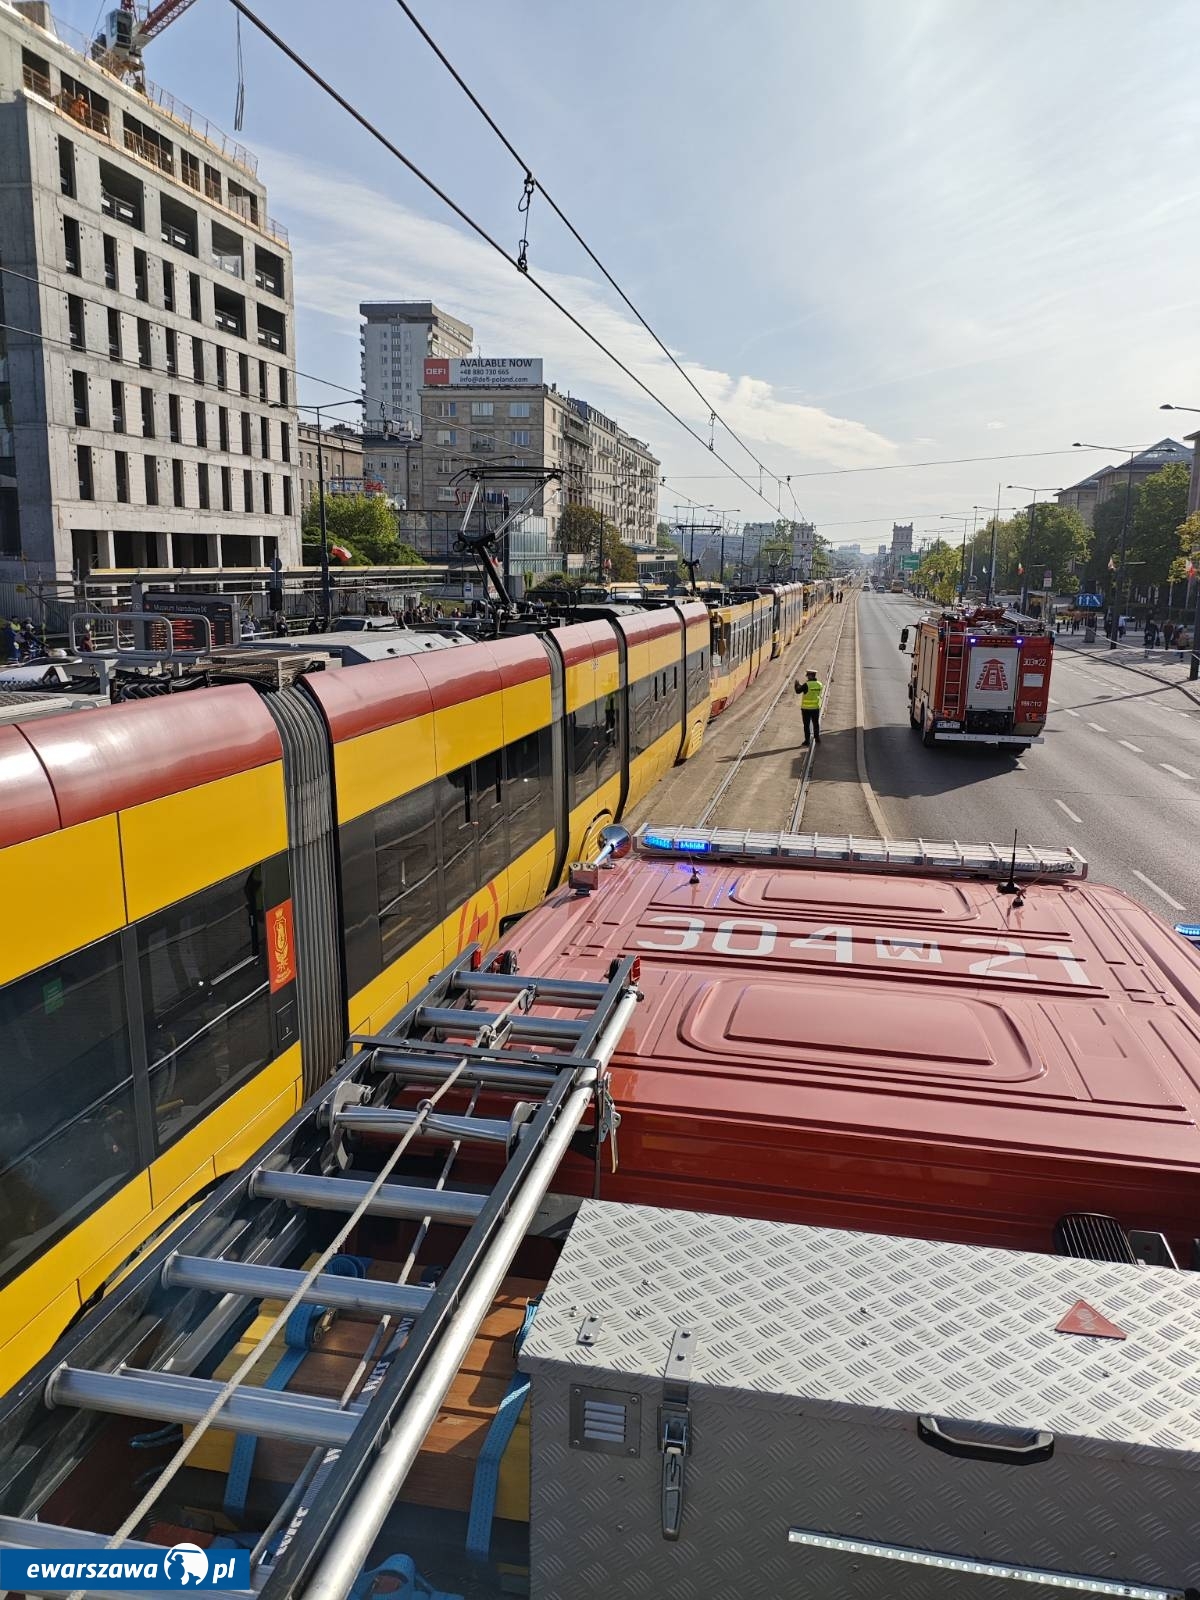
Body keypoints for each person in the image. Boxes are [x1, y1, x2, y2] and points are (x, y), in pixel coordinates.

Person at [795, 669, 824, 746]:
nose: (807, 677)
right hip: (815, 708)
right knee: (816, 723)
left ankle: (807, 741)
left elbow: (798, 691)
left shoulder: (806, 684)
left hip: (806, 709)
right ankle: (817, 738)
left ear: (810, 676)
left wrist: (796, 685)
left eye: (808, 675)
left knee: (806, 725)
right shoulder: (819, 684)